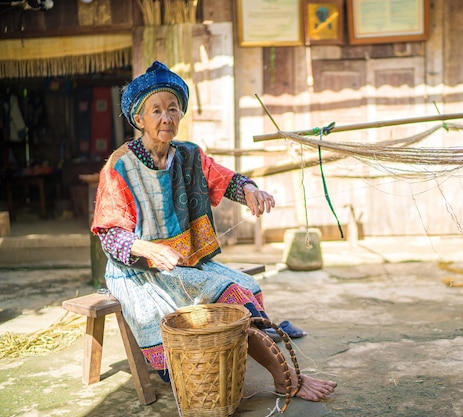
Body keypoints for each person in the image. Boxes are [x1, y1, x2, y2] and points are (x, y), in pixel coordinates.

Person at [91, 61, 336, 402]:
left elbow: (226, 179)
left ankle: (284, 376)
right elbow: (110, 234)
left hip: (187, 263)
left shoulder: (189, 154)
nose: (167, 118)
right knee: (214, 315)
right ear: (139, 119)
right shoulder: (120, 166)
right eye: (156, 111)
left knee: (241, 292)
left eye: (173, 109)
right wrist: (150, 249)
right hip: (140, 273)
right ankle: (284, 374)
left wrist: (250, 190)